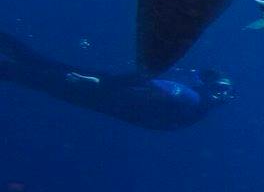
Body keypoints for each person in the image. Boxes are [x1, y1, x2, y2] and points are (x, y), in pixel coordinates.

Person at [0, 30, 233, 130]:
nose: (221, 95)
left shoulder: (191, 102)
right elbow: (144, 84)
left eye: (224, 92)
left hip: (102, 94)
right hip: (101, 94)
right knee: (36, 71)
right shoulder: (189, 102)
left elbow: (144, 82)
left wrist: (99, 84)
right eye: (221, 89)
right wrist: (99, 84)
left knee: (37, 69)